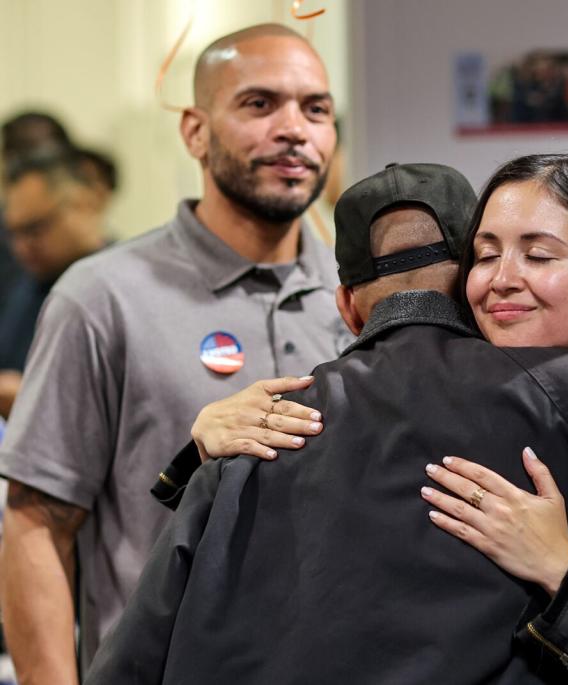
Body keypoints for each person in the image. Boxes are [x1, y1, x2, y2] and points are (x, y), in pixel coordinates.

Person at [93, 158, 568, 684]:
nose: (502, 280)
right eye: (487, 253)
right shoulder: (257, 425)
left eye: (538, 254)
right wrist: (200, 448)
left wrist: (567, 576)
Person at [0, 23, 351, 682]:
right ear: (195, 130)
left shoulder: (357, 301)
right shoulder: (103, 297)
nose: (294, 129)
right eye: (258, 104)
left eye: (315, 109)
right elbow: (37, 525)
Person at [0, 148, 114, 418]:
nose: (22, 247)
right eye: (13, 234)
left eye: (34, 229)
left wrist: (31, 398)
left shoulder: (126, 289)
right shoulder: (24, 289)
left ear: (84, 203)